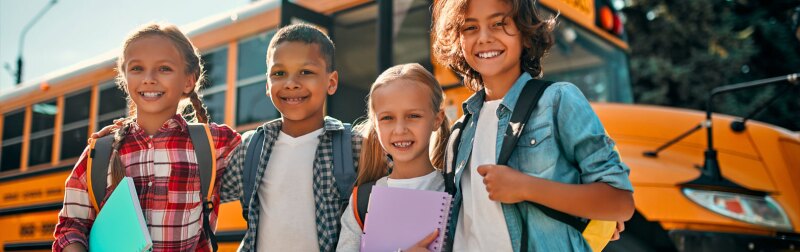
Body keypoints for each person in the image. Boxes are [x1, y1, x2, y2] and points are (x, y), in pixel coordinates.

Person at [431, 0, 635, 250]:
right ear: (458, 43)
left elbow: (620, 203)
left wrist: (525, 187)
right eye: (470, 28)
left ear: (526, 35)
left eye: (499, 24)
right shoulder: (459, 132)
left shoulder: (557, 101)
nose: (484, 37)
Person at [53, 23, 241, 252]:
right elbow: (72, 226)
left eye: (164, 68)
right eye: (137, 68)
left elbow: (270, 164)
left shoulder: (215, 144)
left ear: (188, 81)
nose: (149, 78)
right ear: (124, 78)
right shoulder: (100, 153)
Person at [218, 23, 361, 252]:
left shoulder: (353, 146)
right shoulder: (252, 147)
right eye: (279, 73)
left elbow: (393, 198)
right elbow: (200, 195)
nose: (291, 83)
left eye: (306, 72)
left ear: (331, 82)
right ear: (267, 84)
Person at [336, 63, 449, 251]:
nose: (400, 130)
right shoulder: (362, 201)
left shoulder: (458, 190)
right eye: (387, 118)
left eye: (413, 116)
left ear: (437, 119)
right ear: (375, 124)